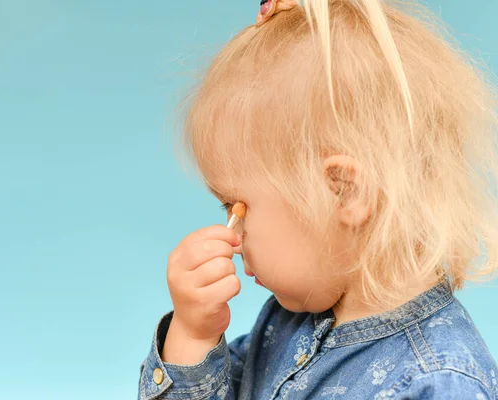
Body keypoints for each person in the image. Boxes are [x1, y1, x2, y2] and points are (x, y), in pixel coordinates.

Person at [138, 0, 498, 398]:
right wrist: (192, 335)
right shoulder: (288, 323)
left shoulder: (437, 381)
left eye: (237, 207)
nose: (234, 240)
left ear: (345, 191)